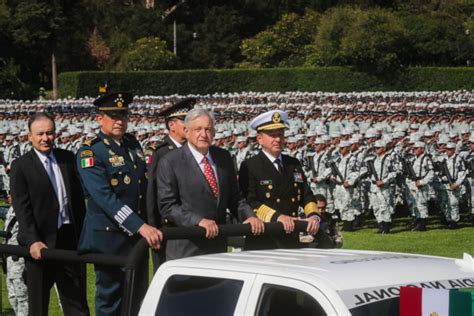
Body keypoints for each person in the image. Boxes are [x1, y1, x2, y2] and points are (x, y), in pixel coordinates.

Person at [76, 92, 162, 316]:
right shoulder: (90, 150)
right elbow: (105, 198)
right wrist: (139, 225)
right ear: (99, 119)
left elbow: (141, 189)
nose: (119, 121)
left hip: (136, 237)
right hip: (110, 237)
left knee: (137, 296)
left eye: (123, 116)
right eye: (113, 116)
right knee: (111, 299)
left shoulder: (132, 144)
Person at [156, 108, 264, 260]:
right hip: (187, 248)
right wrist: (198, 221)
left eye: (208, 129)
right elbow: (168, 206)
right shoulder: (170, 162)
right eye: (198, 129)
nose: (203, 134)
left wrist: (249, 216)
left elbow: (235, 197)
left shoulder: (223, 157)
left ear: (213, 132)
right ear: (187, 131)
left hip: (218, 247)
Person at [10, 112, 89, 316]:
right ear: (30, 136)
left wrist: (84, 236)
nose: (46, 138)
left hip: (69, 240)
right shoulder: (21, 166)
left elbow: (79, 202)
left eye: (50, 133)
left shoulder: (67, 158)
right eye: (40, 134)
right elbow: (22, 208)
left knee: (77, 305)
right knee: (38, 306)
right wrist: (33, 240)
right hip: (40, 244)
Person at [238, 110, 333, 250]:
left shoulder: (292, 163)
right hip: (265, 238)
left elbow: (306, 194)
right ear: (259, 139)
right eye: (272, 135)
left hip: (291, 237)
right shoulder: (250, 165)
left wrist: (313, 216)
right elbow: (250, 202)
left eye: (280, 135)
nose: (277, 139)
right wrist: (278, 217)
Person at [146, 98, 195, 271]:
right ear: (172, 125)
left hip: (193, 223)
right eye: (185, 121)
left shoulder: (193, 150)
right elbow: (152, 193)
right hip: (169, 226)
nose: (190, 124)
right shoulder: (161, 153)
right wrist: (153, 227)